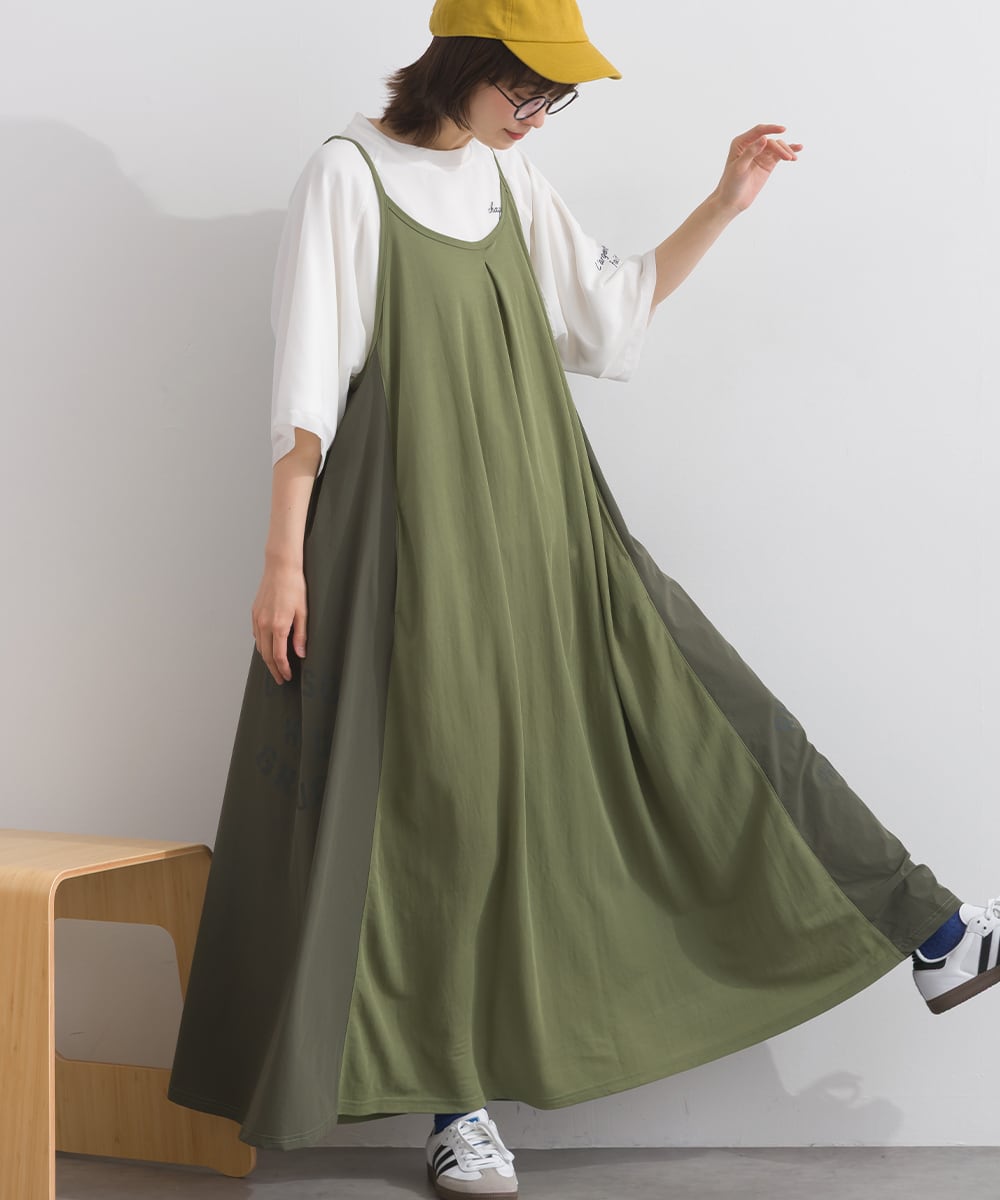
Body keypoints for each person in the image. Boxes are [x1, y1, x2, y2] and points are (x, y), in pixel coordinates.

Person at [166, 1, 1000, 1196]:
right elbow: (307, 388)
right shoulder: (348, 175)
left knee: (723, 718)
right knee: (443, 812)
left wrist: (724, 202)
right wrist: (283, 562)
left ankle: (934, 933)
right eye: (528, 89)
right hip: (410, 546)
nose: (540, 116)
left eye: (555, 98)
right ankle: (457, 1109)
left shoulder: (509, 181)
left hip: (553, 527)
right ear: (466, 60)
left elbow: (605, 317)